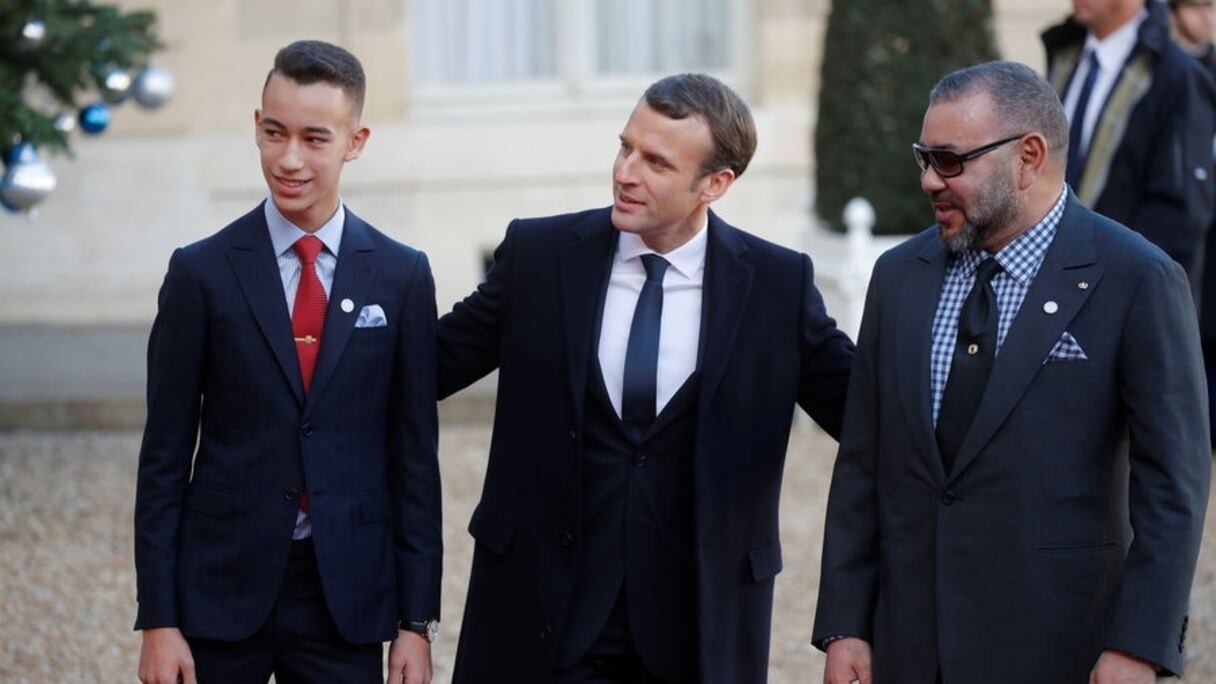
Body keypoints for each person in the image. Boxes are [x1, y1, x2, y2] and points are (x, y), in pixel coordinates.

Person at [437, 73, 854, 684]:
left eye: (655, 161)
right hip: (542, 620)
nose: (626, 172)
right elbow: (422, 368)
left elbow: (874, 424)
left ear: (715, 184)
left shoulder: (776, 286)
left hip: (698, 631)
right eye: (625, 146)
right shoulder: (539, 256)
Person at [812, 60, 1210, 684]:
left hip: (1061, 649)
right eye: (923, 157)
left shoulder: (1137, 278)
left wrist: (1139, 643)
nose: (927, 181)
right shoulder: (898, 276)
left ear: (1028, 157)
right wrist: (846, 624)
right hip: (908, 648)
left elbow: (1174, 487)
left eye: (949, 160)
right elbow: (865, 462)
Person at [133, 40, 441, 684]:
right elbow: (163, 458)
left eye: (314, 138)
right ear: (256, 127)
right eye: (274, 133)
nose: (289, 158)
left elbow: (413, 460)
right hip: (220, 590)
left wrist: (415, 623)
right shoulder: (201, 272)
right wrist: (160, 621)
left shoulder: (402, 276)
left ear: (355, 142)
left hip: (346, 595)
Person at [1042, 0, 1216, 288]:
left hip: (1117, 294)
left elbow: (1179, 217)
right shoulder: (1064, 57)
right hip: (1049, 280)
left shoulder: (1178, 77)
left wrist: (1105, 284)